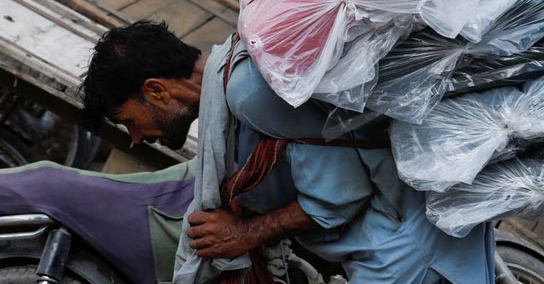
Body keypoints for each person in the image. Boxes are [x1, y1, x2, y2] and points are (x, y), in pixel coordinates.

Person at [80, 21, 495, 284]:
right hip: (392, 236)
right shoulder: (232, 83)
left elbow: (338, 196)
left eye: (127, 119)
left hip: (403, 249)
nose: (134, 136)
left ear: (156, 90)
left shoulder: (247, 93)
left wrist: (243, 233)